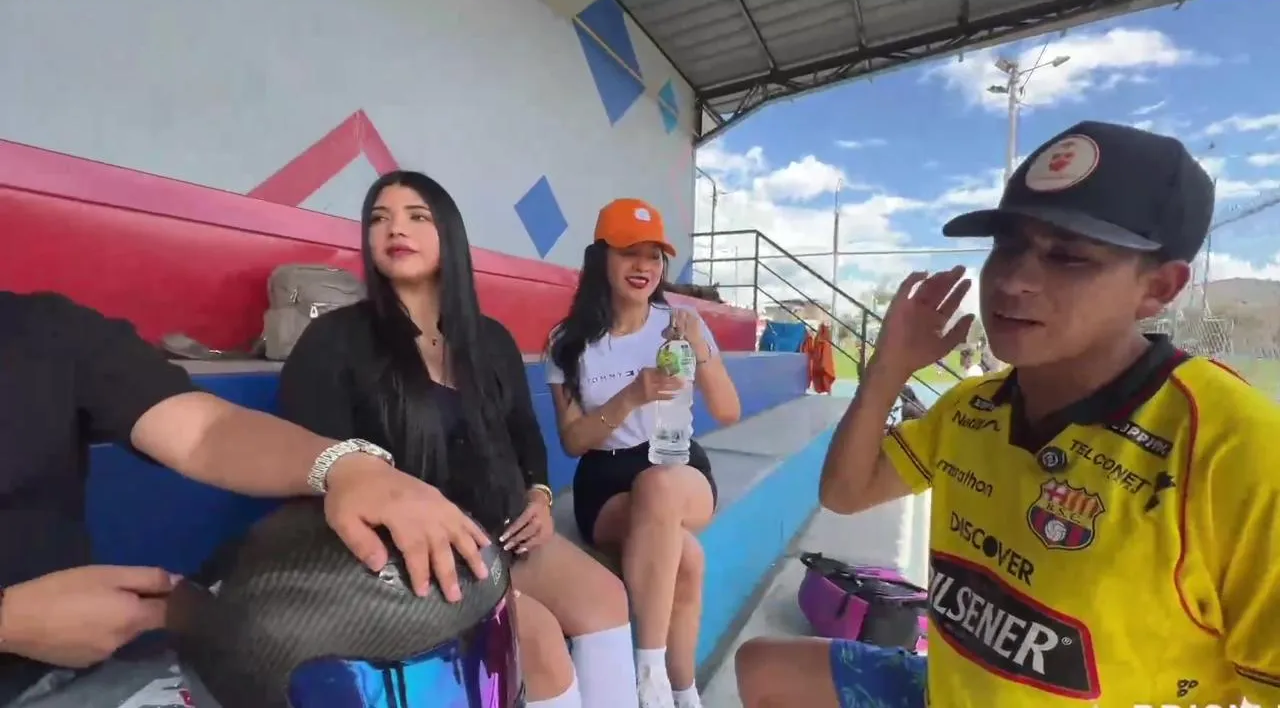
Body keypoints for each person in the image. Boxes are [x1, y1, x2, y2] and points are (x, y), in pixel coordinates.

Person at [734, 121, 1280, 707]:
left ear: (1160, 288)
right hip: (946, 691)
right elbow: (846, 493)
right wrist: (889, 367)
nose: (1015, 281)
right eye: (1008, 245)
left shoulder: (1235, 447)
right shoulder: (973, 406)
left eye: (1068, 257)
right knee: (765, 668)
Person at [0, 297, 493, 704]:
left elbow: (204, 432)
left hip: (74, 673)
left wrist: (349, 467)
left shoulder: (40, 330)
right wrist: (9, 622)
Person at [277, 171, 638, 708]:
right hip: (409, 555)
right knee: (534, 637)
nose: (395, 228)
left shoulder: (491, 340)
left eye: (417, 216)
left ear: (449, 233)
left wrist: (539, 498)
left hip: (501, 535)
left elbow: (526, 437)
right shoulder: (334, 340)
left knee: (605, 597)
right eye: (380, 218)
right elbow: (313, 467)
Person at [546, 198, 742, 708]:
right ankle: (684, 692)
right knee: (688, 559)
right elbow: (572, 442)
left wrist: (700, 347)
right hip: (606, 477)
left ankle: (648, 674)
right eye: (629, 252)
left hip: (677, 462)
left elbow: (728, 411)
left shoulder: (681, 323)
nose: (643, 267)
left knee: (659, 485)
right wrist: (632, 395)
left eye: (654, 256)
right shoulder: (567, 342)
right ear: (600, 258)